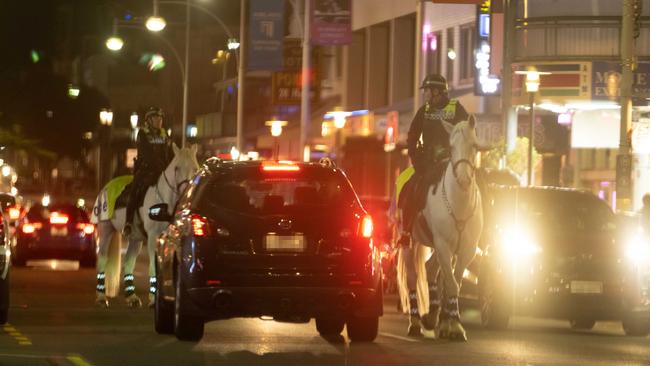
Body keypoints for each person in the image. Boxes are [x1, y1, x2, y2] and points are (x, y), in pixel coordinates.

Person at [397, 74, 469, 247]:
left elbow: (467, 133)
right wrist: (416, 158)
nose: (426, 94)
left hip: (453, 163)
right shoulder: (424, 110)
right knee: (410, 188)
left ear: (437, 91)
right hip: (428, 164)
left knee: (478, 185)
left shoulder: (457, 109)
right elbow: (412, 137)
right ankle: (406, 232)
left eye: (428, 91)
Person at [123, 107, 173, 237]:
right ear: (149, 120)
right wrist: (160, 165)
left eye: (161, 118)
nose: (159, 120)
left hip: (162, 170)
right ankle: (128, 222)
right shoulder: (142, 133)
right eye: (156, 118)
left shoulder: (164, 134)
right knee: (135, 190)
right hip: (146, 169)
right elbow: (147, 153)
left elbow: (170, 152)